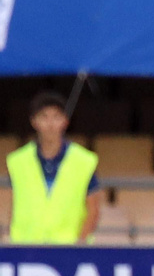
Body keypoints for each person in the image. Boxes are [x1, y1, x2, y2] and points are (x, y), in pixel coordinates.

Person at [7, 91, 101, 245]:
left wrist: (80, 243)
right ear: (34, 121)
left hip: (68, 248)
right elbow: (13, 206)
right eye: (44, 117)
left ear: (65, 121)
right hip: (26, 248)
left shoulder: (83, 161)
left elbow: (93, 209)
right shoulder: (18, 161)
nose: (50, 124)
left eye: (56, 117)